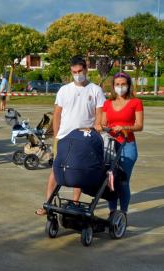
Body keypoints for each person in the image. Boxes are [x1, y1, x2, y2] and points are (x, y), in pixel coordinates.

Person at [36, 56, 105, 216]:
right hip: (64, 137)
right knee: (56, 169)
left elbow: (99, 114)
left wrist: (96, 130)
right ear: (71, 71)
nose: (77, 74)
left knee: (78, 170)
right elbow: (57, 113)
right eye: (74, 72)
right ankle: (48, 204)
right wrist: (56, 135)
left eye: (80, 71)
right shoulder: (64, 90)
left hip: (84, 138)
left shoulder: (96, 90)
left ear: (86, 70)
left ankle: (75, 204)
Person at [102, 72, 143, 220]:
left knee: (123, 181)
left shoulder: (136, 102)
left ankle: (123, 213)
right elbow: (102, 123)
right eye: (117, 84)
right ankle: (112, 211)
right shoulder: (107, 103)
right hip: (110, 145)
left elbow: (139, 125)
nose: (120, 87)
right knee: (111, 180)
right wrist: (101, 127)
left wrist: (125, 127)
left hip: (127, 145)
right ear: (113, 86)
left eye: (123, 84)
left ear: (128, 85)